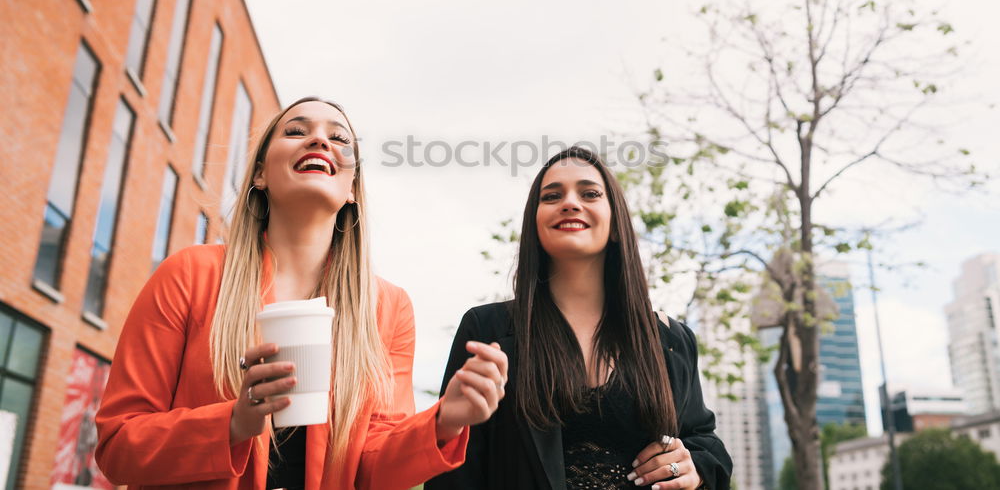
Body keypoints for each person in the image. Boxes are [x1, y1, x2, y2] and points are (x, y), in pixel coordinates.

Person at [96, 98, 508, 490]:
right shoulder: (190, 274)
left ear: (352, 189)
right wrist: (233, 424)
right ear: (259, 174)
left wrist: (442, 424)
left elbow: (370, 469)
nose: (320, 140)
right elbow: (117, 446)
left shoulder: (388, 308)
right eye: (296, 130)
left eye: (339, 138)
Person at [426, 146, 732, 490]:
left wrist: (696, 468)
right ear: (535, 225)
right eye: (552, 196)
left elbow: (704, 440)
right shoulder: (489, 331)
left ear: (616, 223)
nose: (570, 203)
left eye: (589, 193)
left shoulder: (671, 339)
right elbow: (455, 472)